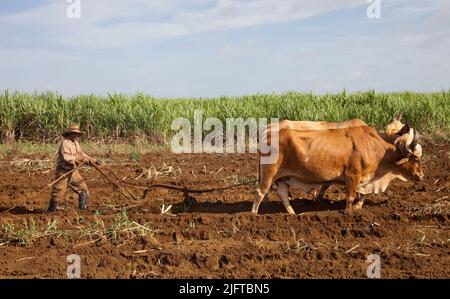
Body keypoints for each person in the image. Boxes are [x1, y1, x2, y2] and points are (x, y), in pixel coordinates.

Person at [47, 123, 102, 212]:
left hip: (73, 172)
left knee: (83, 189)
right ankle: (50, 211)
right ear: (70, 134)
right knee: (58, 192)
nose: (76, 135)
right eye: (74, 133)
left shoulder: (76, 143)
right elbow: (67, 158)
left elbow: (82, 155)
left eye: (77, 134)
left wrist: (94, 161)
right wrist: (78, 160)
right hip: (64, 171)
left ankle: (82, 211)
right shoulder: (65, 143)